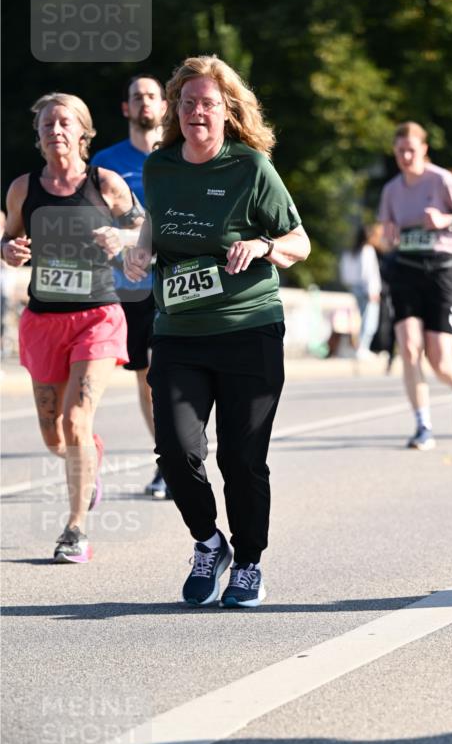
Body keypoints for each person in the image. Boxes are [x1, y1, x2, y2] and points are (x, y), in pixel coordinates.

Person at [124, 55, 310, 607]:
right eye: (187, 103)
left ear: (227, 110)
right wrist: (140, 251)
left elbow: (300, 242)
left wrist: (264, 245)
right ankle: (209, 542)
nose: (196, 112)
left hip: (248, 328)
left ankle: (248, 562)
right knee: (175, 451)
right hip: (178, 331)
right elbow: (155, 221)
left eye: (207, 103)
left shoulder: (250, 168)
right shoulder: (159, 168)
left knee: (241, 458)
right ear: (175, 110)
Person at [2, 92, 142, 562]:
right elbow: (9, 238)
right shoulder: (23, 188)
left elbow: (145, 230)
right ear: (38, 135)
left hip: (97, 315)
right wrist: (8, 250)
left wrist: (121, 236)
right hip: (44, 320)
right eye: (47, 124)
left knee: (77, 419)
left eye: (64, 122)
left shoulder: (105, 184)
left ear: (83, 131)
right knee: (54, 435)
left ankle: (75, 529)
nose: (55, 130)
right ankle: (88, 460)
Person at [378, 121, 452, 450]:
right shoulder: (391, 190)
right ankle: (423, 426)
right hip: (406, 272)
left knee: (440, 359)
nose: (406, 156)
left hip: (441, 273)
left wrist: (445, 220)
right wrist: (389, 236)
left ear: (424, 149)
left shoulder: (442, 180)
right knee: (410, 349)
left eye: (411, 150)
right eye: (400, 151)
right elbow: (386, 234)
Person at [91, 74, 170, 498]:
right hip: (131, 287)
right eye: (136, 97)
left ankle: (182, 451)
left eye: (152, 96)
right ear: (126, 108)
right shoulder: (106, 164)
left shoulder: (178, 154)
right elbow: (94, 225)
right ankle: (168, 461)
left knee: (171, 373)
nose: (144, 103)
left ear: (164, 106)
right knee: (148, 379)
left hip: (177, 283)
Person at [339, 225, 381, 359]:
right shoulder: (368, 250)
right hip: (367, 290)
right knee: (369, 320)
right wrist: (372, 290)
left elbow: (346, 274)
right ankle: (363, 348)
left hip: (355, 288)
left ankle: (360, 347)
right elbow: (368, 273)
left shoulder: (352, 251)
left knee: (362, 318)